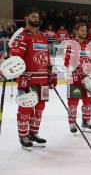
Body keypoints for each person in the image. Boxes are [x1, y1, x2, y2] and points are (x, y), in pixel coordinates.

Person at [4, 8, 57, 149]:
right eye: (33, 16)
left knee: (40, 108)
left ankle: (33, 133)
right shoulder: (22, 36)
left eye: (37, 16)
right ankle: (23, 136)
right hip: (27, 80)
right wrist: (7, 69)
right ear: (26, 17)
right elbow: (14, 59)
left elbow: (46, 59)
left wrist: (51, 74)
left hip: (43, 80)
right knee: (26, 107)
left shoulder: (43, 37)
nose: (36, 19)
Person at [64, 23, 91, 133]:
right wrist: (76, 72)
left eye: (85, 30)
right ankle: (72, 123)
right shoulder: (70, 44)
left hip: (87, 78)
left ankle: (86, 122)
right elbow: (67, 61)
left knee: (88, 101)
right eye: (82, 30)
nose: (84, 32)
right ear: (76, 31)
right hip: (74, 79)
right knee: (73, 102)